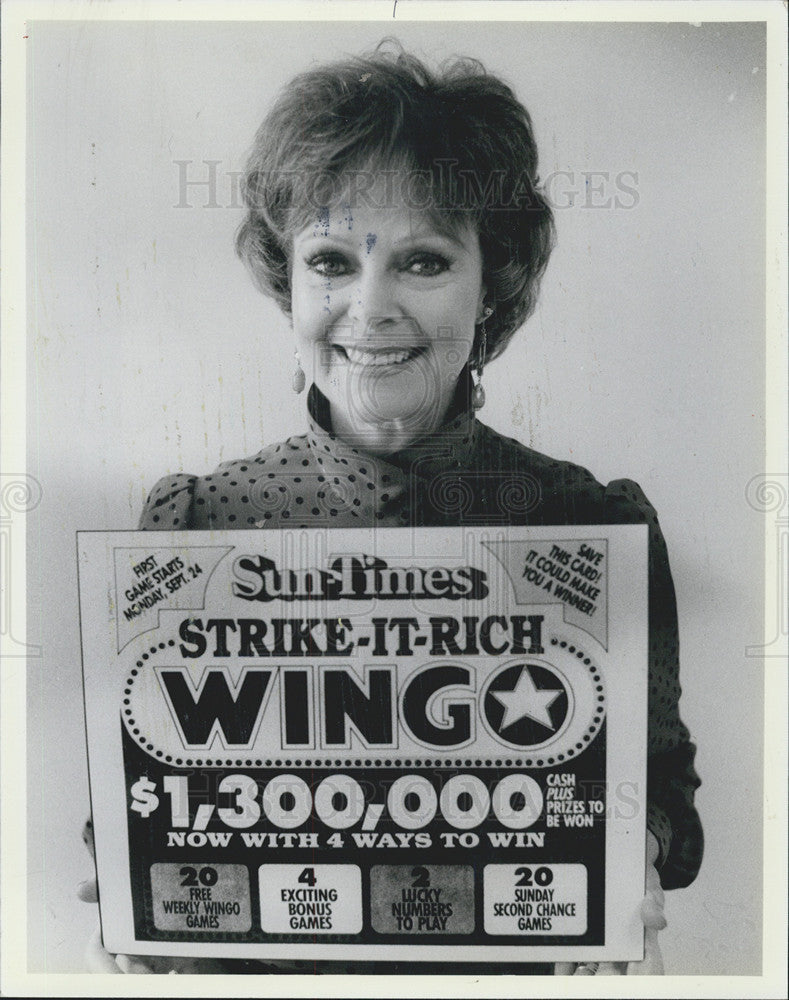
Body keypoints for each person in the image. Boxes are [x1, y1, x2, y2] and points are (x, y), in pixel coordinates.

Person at [81, 41, 702, 976]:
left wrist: (637, 859)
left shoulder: (590, 523)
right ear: (285, 282)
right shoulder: (194, 525)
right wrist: (131, 894)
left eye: (421, 261)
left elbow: (666, 801)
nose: (368, 311)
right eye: (331, 260)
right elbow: (138, 807)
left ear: (490, 286)